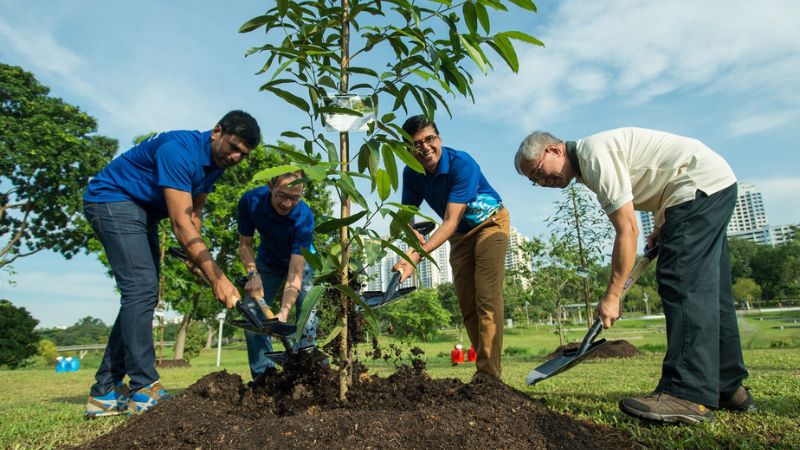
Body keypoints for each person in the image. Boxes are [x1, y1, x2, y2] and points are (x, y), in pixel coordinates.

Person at [514, 127, 754, 424]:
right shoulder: (594, 159)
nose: (542, 181)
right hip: (708, 186)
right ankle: (728, 386)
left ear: (554, 150)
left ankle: (687, 393)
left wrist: (612, 295)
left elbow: (627, 230)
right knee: (712, 292)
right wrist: (662, 225)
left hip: (696, 187)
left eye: (538, 171)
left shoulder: (594, 155)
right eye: (534, 181)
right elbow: (661, 178)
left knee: (682, 285)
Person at [82, 111, 261, 417]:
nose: (235, 157)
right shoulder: (179, 151)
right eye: (233, 147)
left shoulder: (215, 164)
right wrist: (217, 277)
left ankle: (104, 393)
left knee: (141, 294)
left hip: (142, 213)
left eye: (243, 155)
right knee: (141, 288)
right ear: (217, 131)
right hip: (112, 200)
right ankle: (144, 388)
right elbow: (180, 224)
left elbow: (194, 214)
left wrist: (197, 258)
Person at [394, 115, 510, 380]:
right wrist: (411, 239)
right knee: (467, 302)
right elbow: (406, 215)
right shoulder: (412, 173)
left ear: (439, 139)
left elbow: (448, 221)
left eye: (429, 139)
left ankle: (488, 375)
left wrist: (415, 258)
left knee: (487, 296)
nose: (424, 148)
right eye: (416, 144)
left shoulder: (462, 164)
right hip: (460, 236)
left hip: (489, 225)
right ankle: (487, 369)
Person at [238, 170, 317, 380]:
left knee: (307, 317)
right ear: (270, 187)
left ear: (302, 192)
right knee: (253, 311)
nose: (287, 204)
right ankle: (264, 378)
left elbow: (295, 272)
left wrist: (283, 312)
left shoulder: (305, 217)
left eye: (294, 198)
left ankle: (307, 376)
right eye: (281, 195)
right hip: (268, 261)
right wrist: (252, 274)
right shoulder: (251, 201)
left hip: (302, 262)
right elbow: (245, 245)